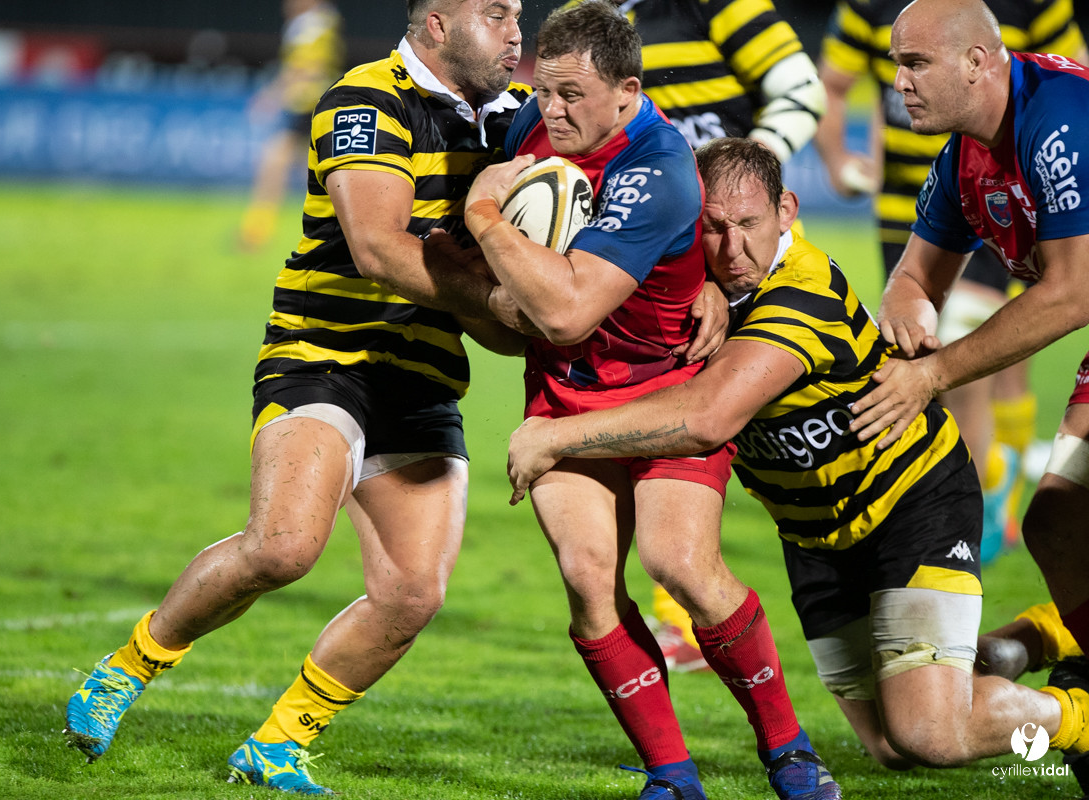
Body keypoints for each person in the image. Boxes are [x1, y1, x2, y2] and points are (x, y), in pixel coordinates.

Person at [62, 0, 531, 793]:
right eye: (495, 13)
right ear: (438, 24)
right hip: (324, 354)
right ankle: (128, 667)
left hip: (423, 376)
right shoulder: (365, 99)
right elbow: (377, 247)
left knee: (412, 593)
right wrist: (497, 299)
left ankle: (278, 742)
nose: (516, 30)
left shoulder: (520, 123)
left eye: (518, 12)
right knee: (282, 547)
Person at [506, 135, 1089, 772]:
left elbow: (707, 419)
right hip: (814, 538)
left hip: (911, 503)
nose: (732, 249)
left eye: (748, 224)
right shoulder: (698, 280)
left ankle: (1079, 717)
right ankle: (1039, 634)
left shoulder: (802, 293)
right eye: (713, 229)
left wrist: (554, 437)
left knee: (928, 734)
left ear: (786, 211)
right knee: (890, 748)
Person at [460, 5, 840, 799]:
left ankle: (789, 751)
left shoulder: (659, 167)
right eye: (544, 90)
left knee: (682, 565)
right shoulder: (531, 126)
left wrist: (485, 218)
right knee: (587, 577)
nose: (551, 111)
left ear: (628, 93)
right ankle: (671, 776)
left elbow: (567, 313)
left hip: (664, 392)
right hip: (565, 393)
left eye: (572, 96)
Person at [566, 0, 828, 674]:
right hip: (649, 257)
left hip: (731, 246)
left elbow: (801, 90)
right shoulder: (585, 20)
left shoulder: (716, 3)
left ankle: (881, 556)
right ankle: (679, 615)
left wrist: (727, 189)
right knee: (653, 416)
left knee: (770, 432)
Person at [846, 0, 1089, 671]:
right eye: (896, 64)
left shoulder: (1058, 117)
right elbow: (913, 279)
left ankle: (1057, 651)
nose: (898, 82)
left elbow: (1074, 292)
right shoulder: (964, 159)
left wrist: (931, 374)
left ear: (976, 62)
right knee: (1056, 521)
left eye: (915, 63)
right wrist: (908, 326)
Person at [238, 0, 345, 252]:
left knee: (275, 161)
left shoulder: (313, 25)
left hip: (308, 103)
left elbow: (307, 67)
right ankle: (338, 233)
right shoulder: (318, 22)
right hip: (314, 102)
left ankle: (256, 231)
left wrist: (271, 95)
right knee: (312, 171)